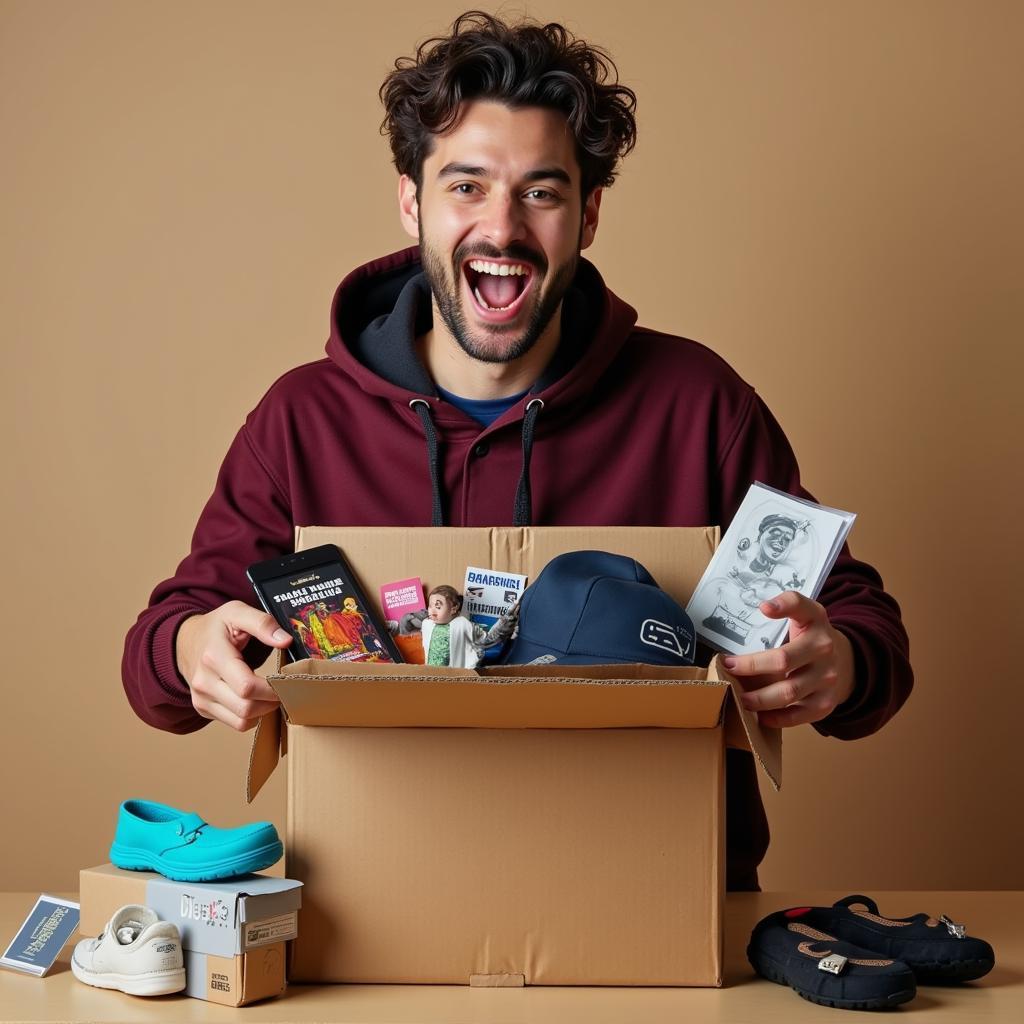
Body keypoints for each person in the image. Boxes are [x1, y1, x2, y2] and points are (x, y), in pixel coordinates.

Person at [122, 11, 913, 891]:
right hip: (380, 907)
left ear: (588, 214)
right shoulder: (301, 421)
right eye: (466, 187)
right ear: (411, 200)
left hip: (657, 902)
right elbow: (157, 663)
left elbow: (862, 630)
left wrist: (838, 661)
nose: (501, 229)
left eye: (541, 191)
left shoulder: (699, 406)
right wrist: (192, 645)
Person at [421, 585, 481, 668]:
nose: (432, 611)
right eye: (430, 606)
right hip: (431, 671)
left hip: (453, 672)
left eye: (438, 607)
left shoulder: (461, 623)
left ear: (454, 609)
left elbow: (482, 638)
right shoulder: (427, 624)